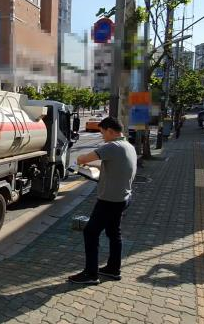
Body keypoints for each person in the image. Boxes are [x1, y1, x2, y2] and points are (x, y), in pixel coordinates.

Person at [69, 117, 137, 285]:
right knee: (114, 233)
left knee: (90, 232)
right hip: (123, 197)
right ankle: (113, 269)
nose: (102, 136)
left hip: (109, 200)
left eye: (102, 132)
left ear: (110, 131)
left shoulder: (112, 146)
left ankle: (91, 274)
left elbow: (83, 159)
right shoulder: (128, 146)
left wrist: (79, 161)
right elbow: (115, 167)